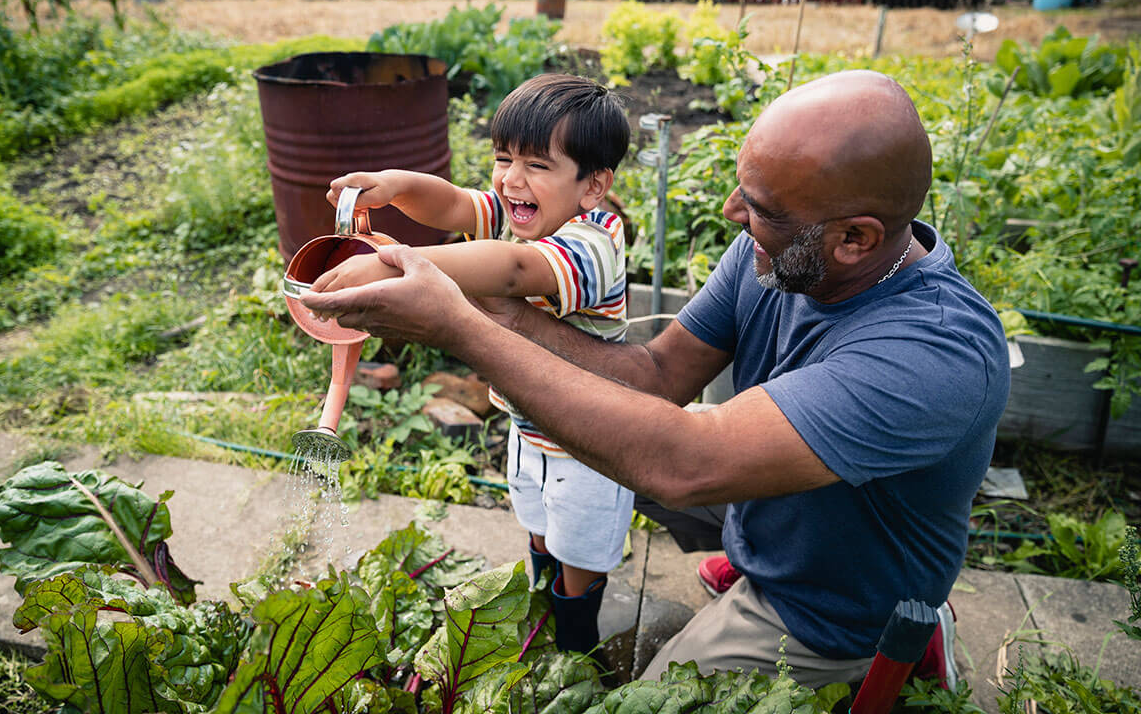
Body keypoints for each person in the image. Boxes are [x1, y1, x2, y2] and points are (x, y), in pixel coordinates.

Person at [300, 70, 1011, 688]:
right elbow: (655, 377)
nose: (734, 215)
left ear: (855, 238)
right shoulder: (774, 254)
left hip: (830, 602)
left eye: (761, 209)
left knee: (653, 691)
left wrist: (454, 319)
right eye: (744, 190)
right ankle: (739, 552)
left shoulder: (933, 352)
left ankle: (905, 644)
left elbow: (683, 463)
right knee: (605, 455)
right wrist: (470, 300)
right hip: (761, 503)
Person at [310, 73, 634, 657]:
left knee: (580, 552)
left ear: (593, 186)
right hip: (528, 427)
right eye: (503, 158)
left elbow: (513, 270)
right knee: (537, 525)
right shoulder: (519, 213)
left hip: (593, 442)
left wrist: (393, 266)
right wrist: (395, 186)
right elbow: (455, 203)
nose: (512, 179)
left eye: (537, 165)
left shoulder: (594, 244)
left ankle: (577, 647)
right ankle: (542, 607)